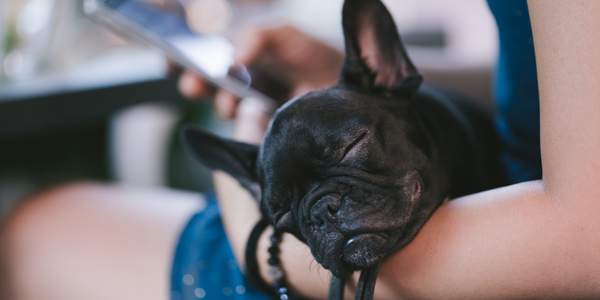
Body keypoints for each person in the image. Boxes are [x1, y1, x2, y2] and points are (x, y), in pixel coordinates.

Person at [2, 0, 600, 299]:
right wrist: (337, 76)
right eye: (302, 214)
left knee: (35, 228)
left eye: (355, 149)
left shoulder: (283, 236)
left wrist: (263, 243)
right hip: (494, 184)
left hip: (521, 245)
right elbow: (545, 80)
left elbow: (587, 236)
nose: (331, 214)